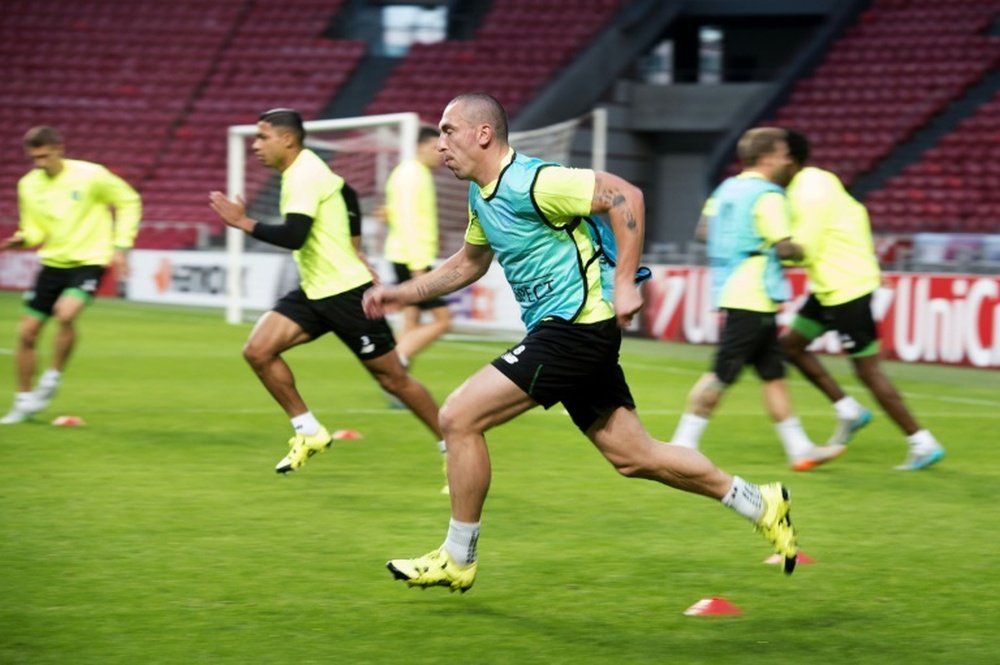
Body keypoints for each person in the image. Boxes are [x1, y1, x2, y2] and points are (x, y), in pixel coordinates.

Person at [362, 93, 799, 593]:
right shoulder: (481, 195)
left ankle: (458, 557)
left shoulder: (536, 180)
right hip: (571, 331)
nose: (439, 144)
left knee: (459, 416)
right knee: (635, 456)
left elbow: (625, 196)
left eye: (447, 130)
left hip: (574, 327)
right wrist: (401, 293)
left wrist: (627, 284)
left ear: (483, 134)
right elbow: (468, 263)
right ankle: (758, 502)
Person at [208, 108, 446, 476]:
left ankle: (453, 447)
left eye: (262, 136)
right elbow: (347, 192)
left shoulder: (304, 174)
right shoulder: (307, 169)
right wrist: (355, 246)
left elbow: (294, 235)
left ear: (287, 139)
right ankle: (309, 431)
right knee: (258, 351)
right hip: (316, 289)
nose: (255, 146)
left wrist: (242, 222)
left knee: (393, 379)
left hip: (348, 293)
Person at [671, 127, 846, 472]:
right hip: (752, 293)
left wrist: (734, 241)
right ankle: (682, 443)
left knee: (773, 373)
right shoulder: (768, 196)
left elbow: (704, 231)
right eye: (782, 153)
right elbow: (784, 246)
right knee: (722, 372)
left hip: (735, 287)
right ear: (767, 157)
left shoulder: (726, 188)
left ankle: (799, 448)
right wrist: (811, 246)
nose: (787, 159)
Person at [778, 128, 945, 471]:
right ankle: (848, 410)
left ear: (789, 159)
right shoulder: (817, 181)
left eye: (770, 155)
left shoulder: (808, 191)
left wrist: (767, 250)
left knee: (867, 370)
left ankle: (921, 441)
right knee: (791, 346)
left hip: (845, 288)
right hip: (832, 286)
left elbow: (802, 251)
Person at [1, 126, 141, 424]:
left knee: (66, 314)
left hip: (89, 260)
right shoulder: (29, 185)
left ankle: (52, 378)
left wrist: (121, 245)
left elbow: (129, 200)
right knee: (27, 333)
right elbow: (36, 228)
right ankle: (24, 401)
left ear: (59, 149)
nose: (39, 163)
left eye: (44, 156)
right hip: (53, 263)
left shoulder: (91, 176)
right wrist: (23, 238)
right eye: (34, 158)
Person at [380, 126, 451, 368]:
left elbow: (394, 213)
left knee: (411, 318)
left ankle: (396, 381)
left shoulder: (408, 172)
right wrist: (418, 267)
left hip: (403, 255)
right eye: (435, 147)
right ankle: (395, 363)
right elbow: (408, 219)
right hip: (413, 259)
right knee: (443, 320)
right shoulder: (414, 175)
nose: (440, 152)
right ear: (419, 147)